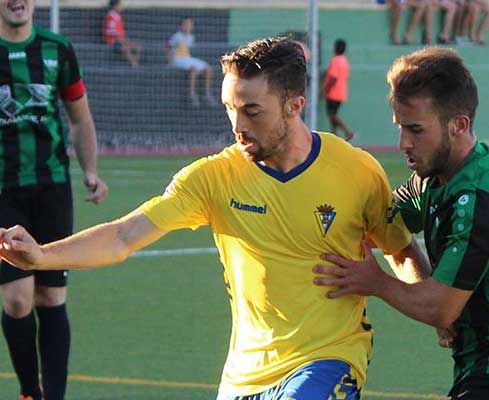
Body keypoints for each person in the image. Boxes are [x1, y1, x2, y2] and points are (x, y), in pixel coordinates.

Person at [0, 37, 428, 400]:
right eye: (229, 107)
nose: (236, 124)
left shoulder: (356, 171)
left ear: (294, 106)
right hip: (243, 376)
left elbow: (400, 249)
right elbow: (123, 235)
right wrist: (40, 257)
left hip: (329, 358)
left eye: (252, 111)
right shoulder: (213, 178)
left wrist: (438, 312)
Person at [313, 47, 489, 400]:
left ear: (459, 124)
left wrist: (375, 282)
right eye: (401, 128)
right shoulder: (432, 178)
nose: (403, 143)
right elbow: (382, 227)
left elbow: (440, 307)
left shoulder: (480, 197)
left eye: (416, 130)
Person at [0, 1, 109, 399]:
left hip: (52, 188)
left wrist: (90, 171)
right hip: (3, 190)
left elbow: (79, 118)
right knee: (16, 299)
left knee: (51, 296)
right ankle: (31, 391)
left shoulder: (57, 49)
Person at [167, 17, 215, 106]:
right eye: (186, 24)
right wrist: (170, 62)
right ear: (181, 26)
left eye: (190, 24)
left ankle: (207, 94)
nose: (188, 26)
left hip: (187, 58)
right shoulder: (176, 36)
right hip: (177, 59)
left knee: (208, 68)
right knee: (194, 69)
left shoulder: (191, 37)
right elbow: (168, 48)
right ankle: (192, 94)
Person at [322, 39, 355, 141]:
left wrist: (325, 90)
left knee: (332, 115)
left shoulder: (335, 60)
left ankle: (348, 132)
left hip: (333, 93)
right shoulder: (345, 61)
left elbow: (333, 77)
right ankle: (335, 136)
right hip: (341, 92)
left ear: (335, 48)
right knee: (332, 116)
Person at [102, 0, 142, 66]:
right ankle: (133, 63)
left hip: (120, 40)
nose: (121, 7)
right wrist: (122, 40)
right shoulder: (110, 16)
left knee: (138, 47)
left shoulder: (117, 16)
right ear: (115, 6)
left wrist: (124, 40)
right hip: (113, 41)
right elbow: (111, 31)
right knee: (125, 48)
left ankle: (135, 63)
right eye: (119, 5)